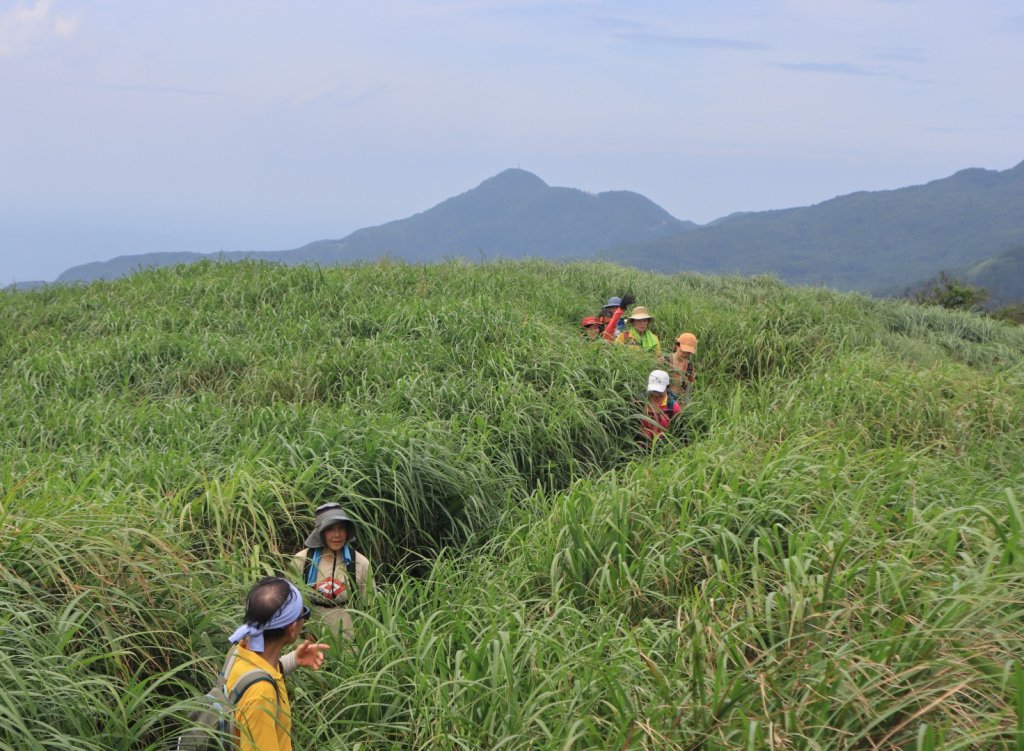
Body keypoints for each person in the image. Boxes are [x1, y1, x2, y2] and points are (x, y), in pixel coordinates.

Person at [227, 577, 329, 751]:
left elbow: (254, 675)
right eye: (303, 614)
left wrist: (293, 660)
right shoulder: (261, 695)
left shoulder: (239, 651)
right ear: (292, 628)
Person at [293, 503, 371, 639]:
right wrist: (304, 631)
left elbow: (368, 605)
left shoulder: (360, 562)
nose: (337, 535)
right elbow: (293, 602)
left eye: (341, 528)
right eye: (330, 529)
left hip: (350, 635)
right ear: (320, 532)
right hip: (312, 635)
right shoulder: (302, 560)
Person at [640, 369, 680, 446]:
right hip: (642, 447)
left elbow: (678, 432)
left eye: (659, 391)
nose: (655, 394)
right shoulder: (641, 402)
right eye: (653, 390)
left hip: (664, 447)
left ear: (667, 387)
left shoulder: (673, 407)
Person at [665, 332, 698, 405]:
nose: (685, 354)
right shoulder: (665, 361)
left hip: (680, 403)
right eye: (683, 351)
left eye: (688, 352)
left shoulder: (689, 366)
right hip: (663, 401)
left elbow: (689, 387)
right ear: (677, 345)